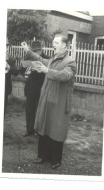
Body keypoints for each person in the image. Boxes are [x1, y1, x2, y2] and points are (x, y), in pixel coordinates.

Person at [21, 34, 76, 169]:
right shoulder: (51, 59)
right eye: (53, 42)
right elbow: (40, 59)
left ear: (64, 45)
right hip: (46, 100)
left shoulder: (70, 62)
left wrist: (47, 71)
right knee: (44, 127)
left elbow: (66, 75)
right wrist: (27, 51)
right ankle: (42, 156)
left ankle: (55, 159)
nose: (54, 44)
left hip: (59, 103)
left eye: (56, 42)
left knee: (56, 129)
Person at [20, 41, 49, 137]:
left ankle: (39, 132)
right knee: (29, 111)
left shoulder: (47, 59)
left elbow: (48, 74)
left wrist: (38, 69)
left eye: (36, 51)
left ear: (41, 50)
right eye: (33, 51)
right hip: (29, 89)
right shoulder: (29, 58)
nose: (35, 53)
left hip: (40, 90)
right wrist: (25, 72)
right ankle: (29, 130)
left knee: (39, 112)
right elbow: (22, 71)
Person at [4, 40, 20, 115]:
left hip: (5, 88)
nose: (6, 48)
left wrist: (9, 67)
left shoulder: (9, 60)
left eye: (7, 46)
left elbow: (16, 72)